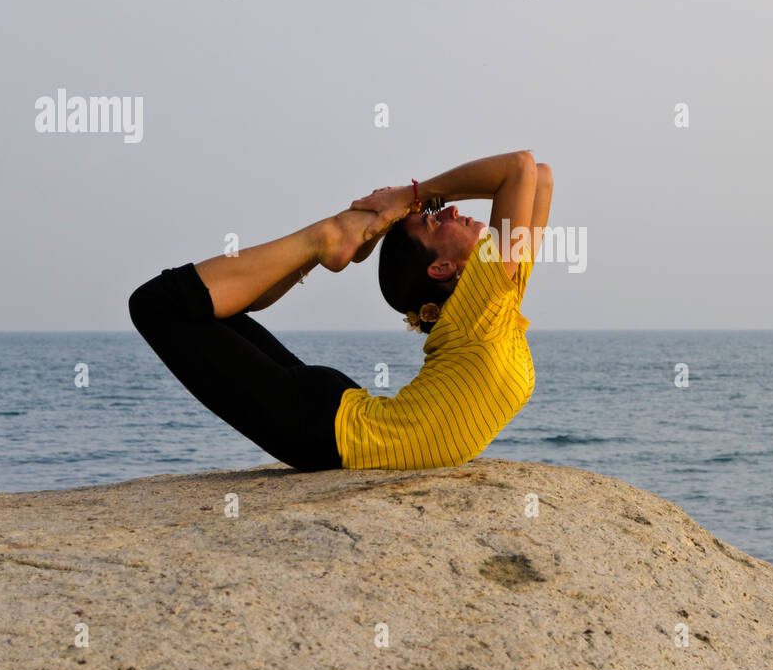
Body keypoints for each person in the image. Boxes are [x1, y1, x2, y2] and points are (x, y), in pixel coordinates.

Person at [127, 150, 552, 471]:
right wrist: (411, 199)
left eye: (434, 218)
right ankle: (323, 240)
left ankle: (325, 244)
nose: (453, 210)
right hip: (323, 424)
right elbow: (523, 171)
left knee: (177, 308)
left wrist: (410, 197)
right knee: (160, 305)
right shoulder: (485, 303)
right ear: (440, 268)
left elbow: (533, 175)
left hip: (324, 422)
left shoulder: (491, 304)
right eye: (435, 219)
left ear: (441, 269)